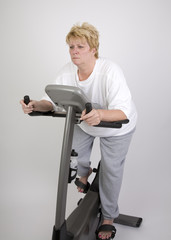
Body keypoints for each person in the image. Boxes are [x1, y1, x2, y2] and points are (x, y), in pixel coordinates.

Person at [20, 22, 137, 240]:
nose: (74, 51)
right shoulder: (67, 71)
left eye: (80, 47)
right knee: (74, 154)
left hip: (116, 129)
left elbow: (123, 112)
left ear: (93, 48)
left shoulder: (109, 72)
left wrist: (101, 115)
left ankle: (109, 218)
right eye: (71, 47)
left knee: (111, 171)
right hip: (86, 123)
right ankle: (84, 174)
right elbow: (51, 102)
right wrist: (36, 105)